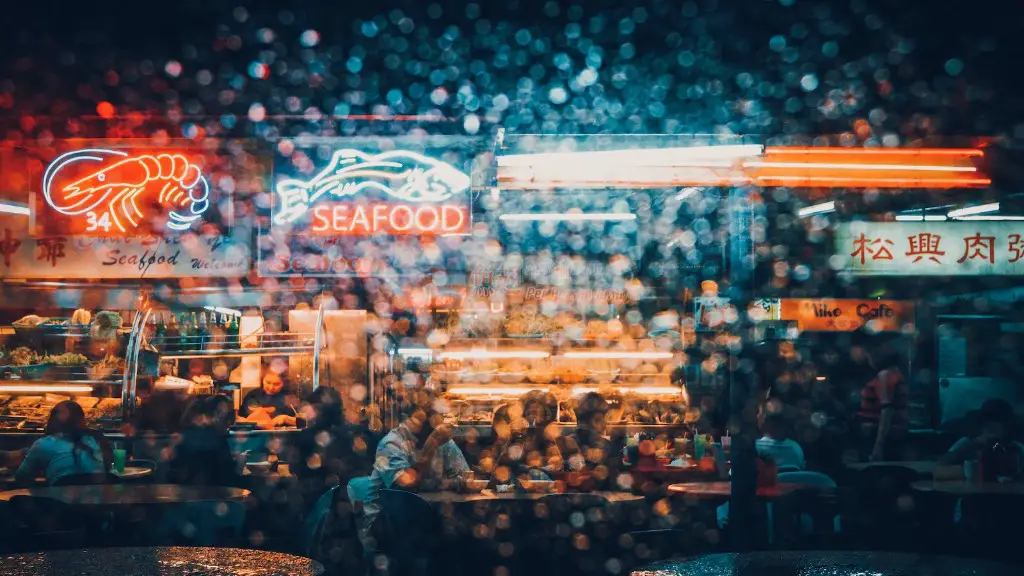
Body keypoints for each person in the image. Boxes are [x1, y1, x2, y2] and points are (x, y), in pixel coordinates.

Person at [350, 389, 468, 543]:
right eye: (432, 414)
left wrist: (455, 482)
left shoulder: (444, 443)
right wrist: (431, 446)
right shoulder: (391, 444)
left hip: (436, 522)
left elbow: (463, 477)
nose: (441, 422)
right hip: (398, 529)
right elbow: (408, 485)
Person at [15, 400, 110, 485]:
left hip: (60, 503)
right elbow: (107, 468)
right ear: (82, 420)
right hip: (96, 502)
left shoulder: (43, 444)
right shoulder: (95, 439)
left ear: (51, 421)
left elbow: (21, 476)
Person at [167, 396, 243, 487]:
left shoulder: (181, 438)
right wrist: (239, 464)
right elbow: (227, 473)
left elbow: (173, 470)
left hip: (185, 494)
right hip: (217, 493)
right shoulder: (216, 437)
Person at [856, 343, 909, 461]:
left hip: (880, 435)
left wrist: (878, 445)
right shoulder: (895, 373)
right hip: (889, 433)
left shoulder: (885, 375)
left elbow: (887, 410)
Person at [559, 392, 622, 490]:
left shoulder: (608, 446)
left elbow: (617, 480)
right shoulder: (568, 443)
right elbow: (563, 475)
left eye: (604, 420)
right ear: (583, 422)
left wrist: (606, 465)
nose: (604, 426)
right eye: (598, 420)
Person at [939, 399, 1024, 466]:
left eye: (998, 422)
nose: (991, 431)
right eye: (988, 425)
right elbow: (943, 462)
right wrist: (973, 444)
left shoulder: (1015, 447)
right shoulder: (968, 442)